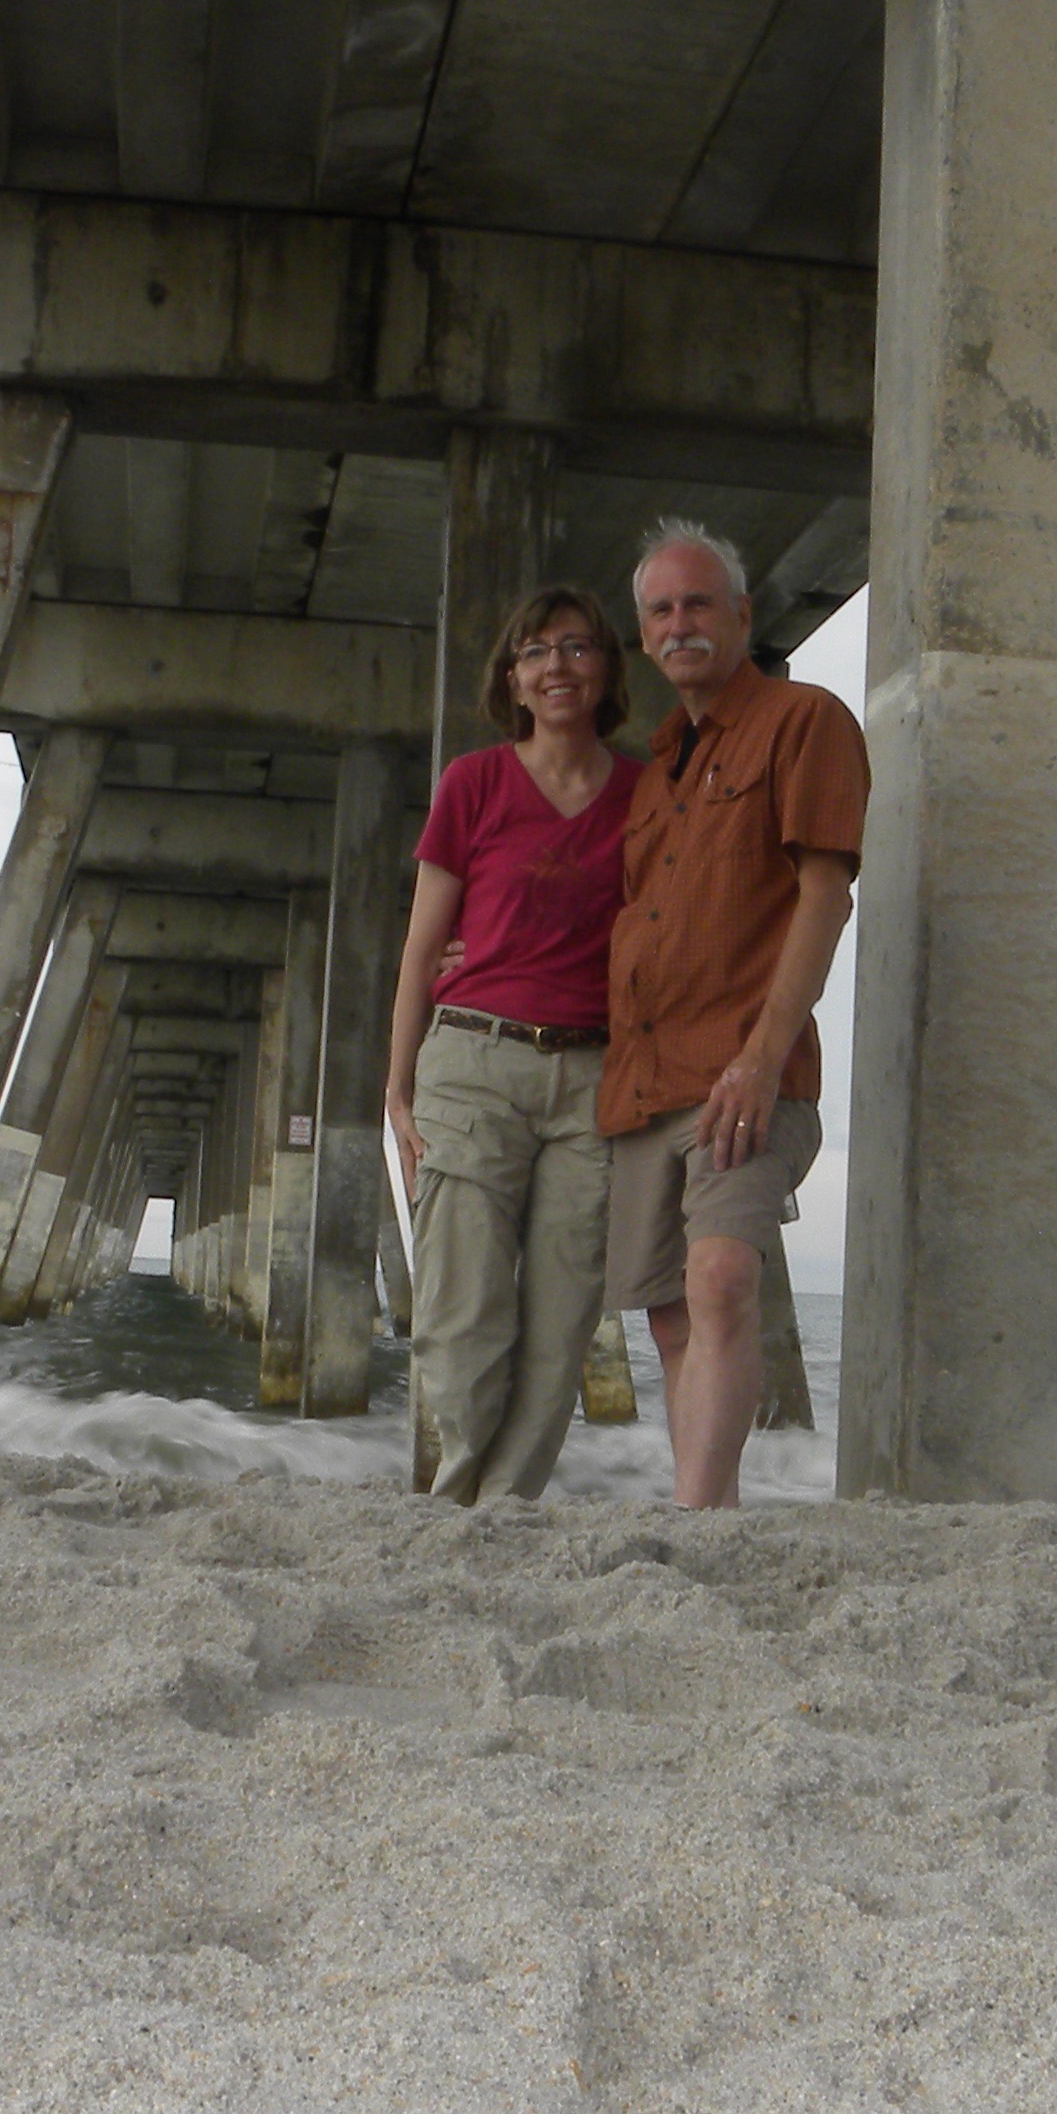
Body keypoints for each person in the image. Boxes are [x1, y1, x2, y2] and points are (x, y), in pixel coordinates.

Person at [603, 525, 867, 1507]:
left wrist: (761, 1057)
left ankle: (697, 1516)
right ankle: (704, 1502)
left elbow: (825, 894)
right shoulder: (656, 768)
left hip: (741, 1073)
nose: (681, 624)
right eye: (662, 611)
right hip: (641, 1082)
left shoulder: (807, 723)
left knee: (720, 1279)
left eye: (699, 603)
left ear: (743, 616)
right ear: (644, 636)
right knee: (669, 1312)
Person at [385, 586, 640, 1505]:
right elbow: (424, 944)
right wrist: (399, 1088)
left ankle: (504, 1510)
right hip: (473, 1062)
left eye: (576, 647)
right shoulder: (475, 783)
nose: (557, 666)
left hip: (594, 1077)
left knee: (563, 1317)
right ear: (514, 681)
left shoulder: (647, 794)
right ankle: (449, 1503)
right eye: (535, 652)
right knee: (462, 1312)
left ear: (606, 668)